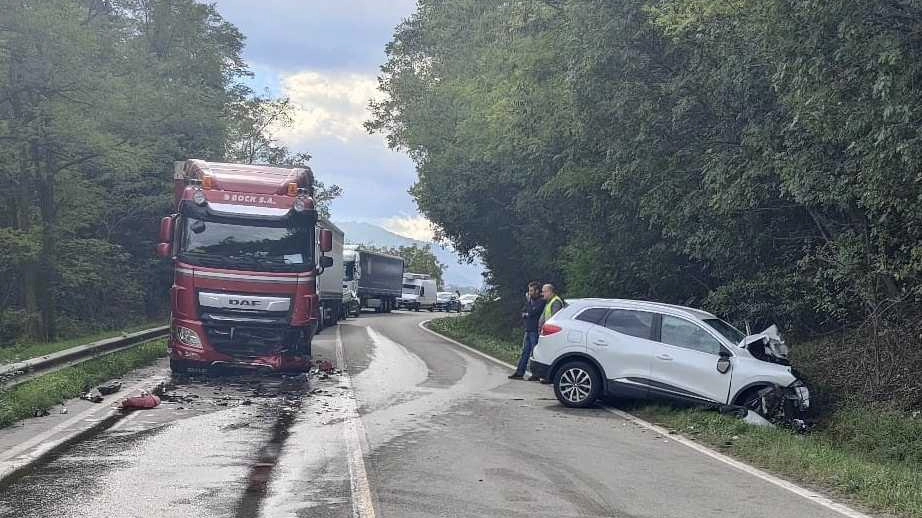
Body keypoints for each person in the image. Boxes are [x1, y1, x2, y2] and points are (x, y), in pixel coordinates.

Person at [509, 282, 546, 380]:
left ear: (537, 291)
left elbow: (533, 312)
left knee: (535, 353)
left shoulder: (541, 301)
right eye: (529, 291)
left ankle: (536, 374)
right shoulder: (530, 301)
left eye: (531, 291)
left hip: (535, 330)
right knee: (525, 352)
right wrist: (527, 312)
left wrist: (528, 312)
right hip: (528, 329)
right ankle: (519, 372)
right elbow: (524, 311)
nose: (529, 293)